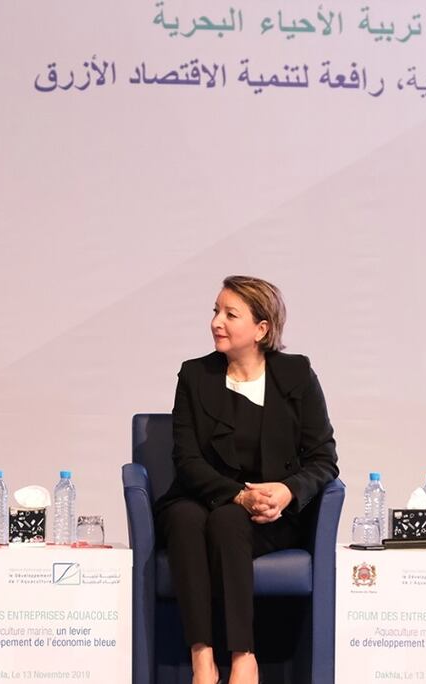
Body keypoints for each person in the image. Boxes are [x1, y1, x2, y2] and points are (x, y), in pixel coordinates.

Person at [157, 275, 339, 684]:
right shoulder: (194, 376)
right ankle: (201, 657)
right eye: (215, 311)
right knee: (187, 519)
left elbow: (324, 458)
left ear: (262, 329)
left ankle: (243, 657)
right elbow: (185, 460)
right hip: (200, 497)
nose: (217, 322)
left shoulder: (296, 375)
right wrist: (236, 495)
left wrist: (288, 489)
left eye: (230, 314)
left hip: (269, 514)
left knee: (227, 521)